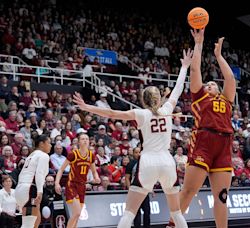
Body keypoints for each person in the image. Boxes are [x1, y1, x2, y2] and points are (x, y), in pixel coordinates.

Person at [72, 48, 194, 228]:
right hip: (167, 161)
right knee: (176, 213)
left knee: (129, 213)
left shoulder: (141, 113)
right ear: (159, 98)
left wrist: (87, 107)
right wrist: (184, 67)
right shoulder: (167, 110)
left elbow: (112, 112)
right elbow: (178, 89)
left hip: (148, 160)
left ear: (144, 100)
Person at [170, 29, 236, 228]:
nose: (209, 85)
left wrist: (218, 56)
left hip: (224, 144)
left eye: (213, 84)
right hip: (203, 142)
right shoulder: (199, 97)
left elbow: (230, 79)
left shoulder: (226, 99)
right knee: (189, 191)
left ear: (218, 90)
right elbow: (195, 71)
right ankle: (172, 226)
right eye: (207, 84)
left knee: (222, 197)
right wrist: (198, 44)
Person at [55, 133, 101, 228]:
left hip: (82, 186)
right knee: (77, 213)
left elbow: (93, 171)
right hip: (72, 185)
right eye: (83, 139)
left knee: (77, 215)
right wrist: (56, 183)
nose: (85, 140)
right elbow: (61, 169)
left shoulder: (91, 155)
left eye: (87, 139)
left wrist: (96, 177)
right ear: (79, 142)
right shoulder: (73, 154)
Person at [15, 134, 52, 228]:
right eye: (49, 143)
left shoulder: (31, 155)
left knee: (35, 219)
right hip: (30, 189)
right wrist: (40, 191)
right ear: (41, 144)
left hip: (21, 189)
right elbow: (39, 173)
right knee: (28, 224)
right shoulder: (44, 155)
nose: (51, 145)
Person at [125, 152, 151, 228]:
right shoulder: (131, 164)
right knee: (136, 212)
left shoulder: (146, 164)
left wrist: (151, 188)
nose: (138, 154)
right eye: (136, 152)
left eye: (140, 152)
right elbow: (127, 178)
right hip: (135, 190)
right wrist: (130, 190)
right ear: (133, 154)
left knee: (147, 211)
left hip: (144, 190)